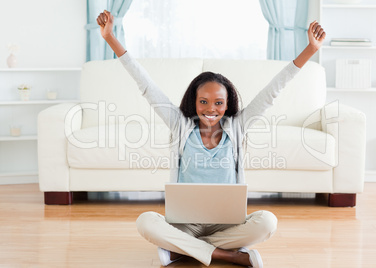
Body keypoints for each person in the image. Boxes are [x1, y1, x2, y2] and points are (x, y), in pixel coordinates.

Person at [97, 10, 325, 268]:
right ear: (194, 102)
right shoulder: (180, 125)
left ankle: (182, 251)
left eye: (218, 103)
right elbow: (146, 84)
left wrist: (310, 49)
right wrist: (110, 38)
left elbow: (274, 90)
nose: (210, 109)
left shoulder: (238, 127)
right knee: (145, 221)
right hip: (186, 224)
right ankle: (226, 254)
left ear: (227, 105)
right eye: (203, 102)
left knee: (267, 222)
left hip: (225, 222)